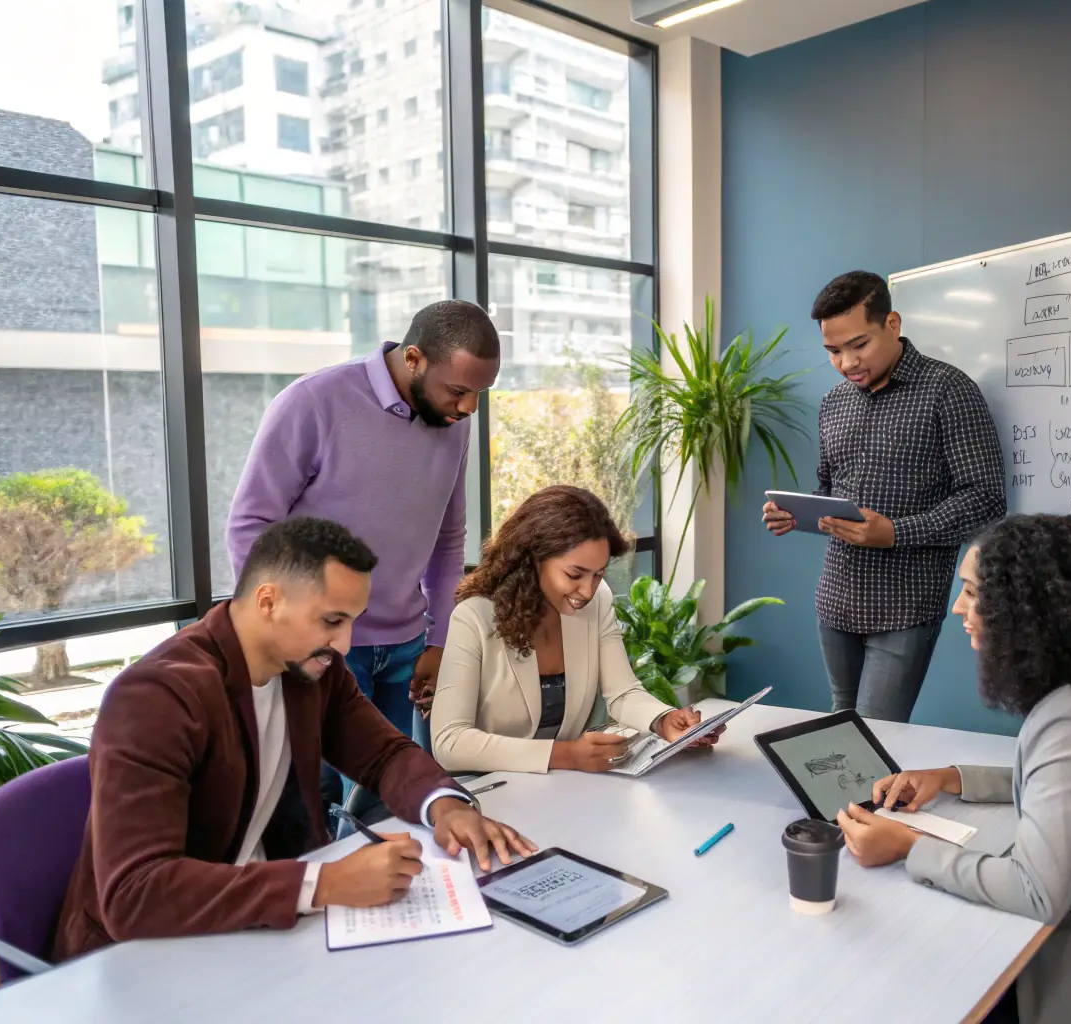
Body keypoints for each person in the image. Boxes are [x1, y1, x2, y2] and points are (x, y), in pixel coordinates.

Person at [51, 517, 534, 963]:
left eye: (352, 621)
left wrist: (444, 804)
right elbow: (135, 893)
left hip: (268, 933)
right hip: (150, 955)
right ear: (268, 602)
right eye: (331, 621)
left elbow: (384, 753)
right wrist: (324, 882)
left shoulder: (314, 670)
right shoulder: (158, 696)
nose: (345, 644)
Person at [835, 514, 1071, 1024]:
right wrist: (950, 778)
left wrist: (907, 847)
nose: (958, 609)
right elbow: (1066, 785)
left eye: (972, 592)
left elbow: (1036, 894)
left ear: (1028, 610)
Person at [228, 299, 499, 778]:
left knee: (388, 800)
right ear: (413, 358)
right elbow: (251, 525)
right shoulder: (314, 401)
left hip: (407, 650)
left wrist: (439, 640)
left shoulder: (454, 420)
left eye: (479, 393)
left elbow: (448, 537)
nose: (469, 407)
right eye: (458, 390)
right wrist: (286, 634)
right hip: (322, 647)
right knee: (322, 803)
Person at [762, 271, 1005, 722]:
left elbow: (986, 498)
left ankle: (872, 797)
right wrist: (799, 513)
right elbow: (833, 491)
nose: (847, 362)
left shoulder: (948, 391)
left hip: (906, 603)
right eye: (833, 351)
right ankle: (844, 798)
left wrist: (894, 532)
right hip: (836, 599)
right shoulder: (835, 402)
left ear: (892, 323)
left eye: (859, 345)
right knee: (841, 722)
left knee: (878, 732)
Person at [430, 486, 718, 774]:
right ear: (533, 559)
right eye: (574, 574)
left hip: (563, 789)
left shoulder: (598, 601)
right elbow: (450, 742)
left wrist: (663, 719)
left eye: (598, 574)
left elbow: (622, 692)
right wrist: (565, 755)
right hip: (489, 792)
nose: (588, 590)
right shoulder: (474, 617)